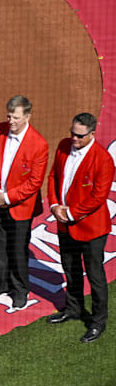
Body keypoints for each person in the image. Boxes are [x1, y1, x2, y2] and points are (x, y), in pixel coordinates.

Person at [46, 112, 114, 342]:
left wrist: (71, 213)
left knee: (95, 276)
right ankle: (73, 308)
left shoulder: (103, 160)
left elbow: (98, 196)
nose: (74, 139)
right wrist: (55, 205)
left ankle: (98, 321)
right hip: (65, 224)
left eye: (79, 136)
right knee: (70, 268)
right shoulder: (64, 146)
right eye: (72, 133)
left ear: (92, 134)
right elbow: (54, 175)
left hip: (91, 229)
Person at [0, 95, 48, 309]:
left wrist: (7, 198)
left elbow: (35, 182)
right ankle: (1, 285)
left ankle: (20, 290)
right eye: (9, 116)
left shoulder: (39, 145)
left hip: (20, 208)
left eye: (16, 117)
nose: (11, 121)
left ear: (28, 116)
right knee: (0, 246)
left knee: (18, 250)